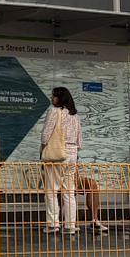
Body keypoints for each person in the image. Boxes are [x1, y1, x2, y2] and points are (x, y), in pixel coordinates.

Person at [40, 87, 82, 235]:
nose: (52, 99)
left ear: (60, 98)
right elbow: (80, 139)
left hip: (58, 154)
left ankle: (53, 224)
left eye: (54, 96)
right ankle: (70, 226)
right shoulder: (74, 115)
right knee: (69, 192)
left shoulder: (54, 111)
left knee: (51, 190)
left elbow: (46, 134)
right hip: (72, 155)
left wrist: (43, 148)